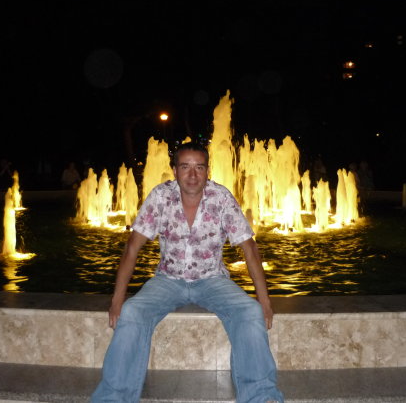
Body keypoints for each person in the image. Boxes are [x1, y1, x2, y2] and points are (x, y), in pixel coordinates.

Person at [91, 142, 283, 403]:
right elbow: (132, 248)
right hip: (168, 280)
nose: (192, 175)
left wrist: (264, 302)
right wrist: (117, 301)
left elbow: (249, 248)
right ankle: (113, 398)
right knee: (132, 312)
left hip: (212, 279)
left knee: (250, 312)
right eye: (185, 167)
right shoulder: (160, 197)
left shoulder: (221, 198)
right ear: (174, 170)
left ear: (207, 171)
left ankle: (261, 396)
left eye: (199, 167)